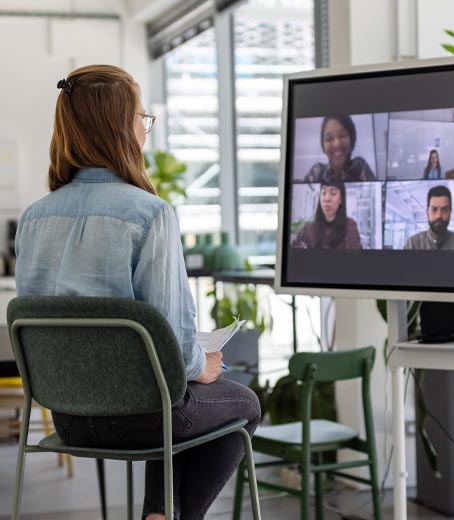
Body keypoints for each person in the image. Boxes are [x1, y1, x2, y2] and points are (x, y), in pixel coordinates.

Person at [14, 65, 260, 520]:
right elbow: (170, 338)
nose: (143, 130)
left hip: (66, 418)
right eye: (141, 118)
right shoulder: (150, 214)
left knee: (172, 400)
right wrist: (199, 364)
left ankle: (159, 516)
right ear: (118, 127)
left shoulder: (33, 219)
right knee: (240, 403)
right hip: (141, 420)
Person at [303, 115, 376, 183]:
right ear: (323, 145)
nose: (337, 144)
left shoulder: (360, 167)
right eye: (329, 138)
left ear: (352, 138)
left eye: (343, 135)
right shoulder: (317, 172)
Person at [292, 180, 362, 249]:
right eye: (323, 192)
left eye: (333, 193)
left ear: (341, 199)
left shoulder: (349, 226)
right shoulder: (308, 229)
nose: (327, 199)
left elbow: (355, 257)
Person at [404, 185, 454, 250]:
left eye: (445, 210)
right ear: (427, 212)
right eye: (434, 209)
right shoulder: (412, 245)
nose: (439, 216)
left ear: (450, 212)